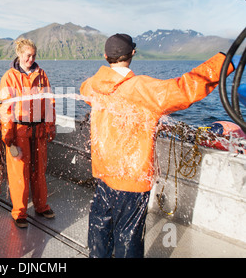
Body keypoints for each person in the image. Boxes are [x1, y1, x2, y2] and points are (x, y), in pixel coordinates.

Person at [80, 33, 235, 258]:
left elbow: (89, 93)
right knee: (128, 235)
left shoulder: (92, 85)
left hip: (104, 172)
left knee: (100, 227)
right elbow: (184, 90)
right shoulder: (142, 88)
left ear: (106, 56)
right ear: (133, 53)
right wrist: (223, 62)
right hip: (132, 179)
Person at [0, 38, 56, 228]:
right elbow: (6, 108)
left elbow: (49, 102)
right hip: (19, 132)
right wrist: (7, 135)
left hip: (38, 131)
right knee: (19, 174)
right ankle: (19, 212)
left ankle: (41, 206)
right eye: (27, 55)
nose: (31, 59)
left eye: (33, 56)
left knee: (39, 172)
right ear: (19, 54)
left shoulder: (42, 75)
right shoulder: (9, 76)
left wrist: (50, 126)